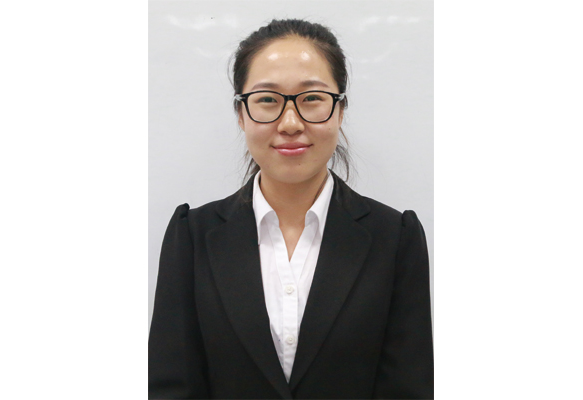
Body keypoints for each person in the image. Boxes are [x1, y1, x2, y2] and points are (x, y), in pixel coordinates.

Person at [148, 19, 433, 399]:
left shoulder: (394, 238)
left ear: (340, 110)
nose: (290, 123)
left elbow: (408, 388)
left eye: (312, 98)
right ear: (241, 114)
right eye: (267, 100)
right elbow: (171, 386)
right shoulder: (193, 235)